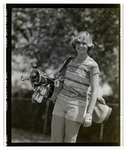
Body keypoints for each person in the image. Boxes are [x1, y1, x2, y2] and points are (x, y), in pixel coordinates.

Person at [51, 31, 100, 143]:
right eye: (78, 42)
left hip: (77, 105)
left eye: (84, 43)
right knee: (54, 140)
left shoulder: (93, 66)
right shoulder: (69, 60)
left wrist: (89, 113)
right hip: (60, 101)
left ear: (89, 46)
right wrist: (57, 80)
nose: (80, 45)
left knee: (70, 141)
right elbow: (58, 77)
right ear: (74, 44)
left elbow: (94, 91)